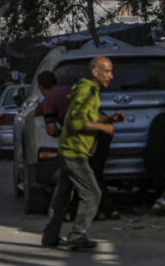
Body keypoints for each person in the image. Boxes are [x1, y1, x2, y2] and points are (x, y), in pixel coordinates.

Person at [41, 57, 123, 250]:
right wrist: (104, 128)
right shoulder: (88, 91)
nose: (111, 76)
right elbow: (79, 123)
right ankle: (77, 235)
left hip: (71, 149)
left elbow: (87, 116)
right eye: (107, 71)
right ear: (95, 72)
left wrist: (109, 118)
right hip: (74, 152)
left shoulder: (88, 90)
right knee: (92, 193)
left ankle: (50, 237)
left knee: (62, 196)